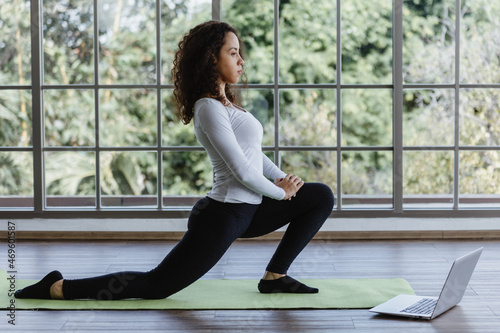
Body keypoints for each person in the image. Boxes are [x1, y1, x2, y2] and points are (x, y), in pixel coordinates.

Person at [14, 21, 334, 301]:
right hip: (223, 216)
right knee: (157, 284)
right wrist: (281, 193)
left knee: (319, 195)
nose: (241, 59)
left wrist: (287, 180)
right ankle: (58, 287)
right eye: (233, 52)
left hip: (251, 210)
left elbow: (253, 153)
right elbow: (239, 169)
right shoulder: (208, 107)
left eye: (240, 52)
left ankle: (275, 276)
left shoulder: (229, 105)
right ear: (212, 57)